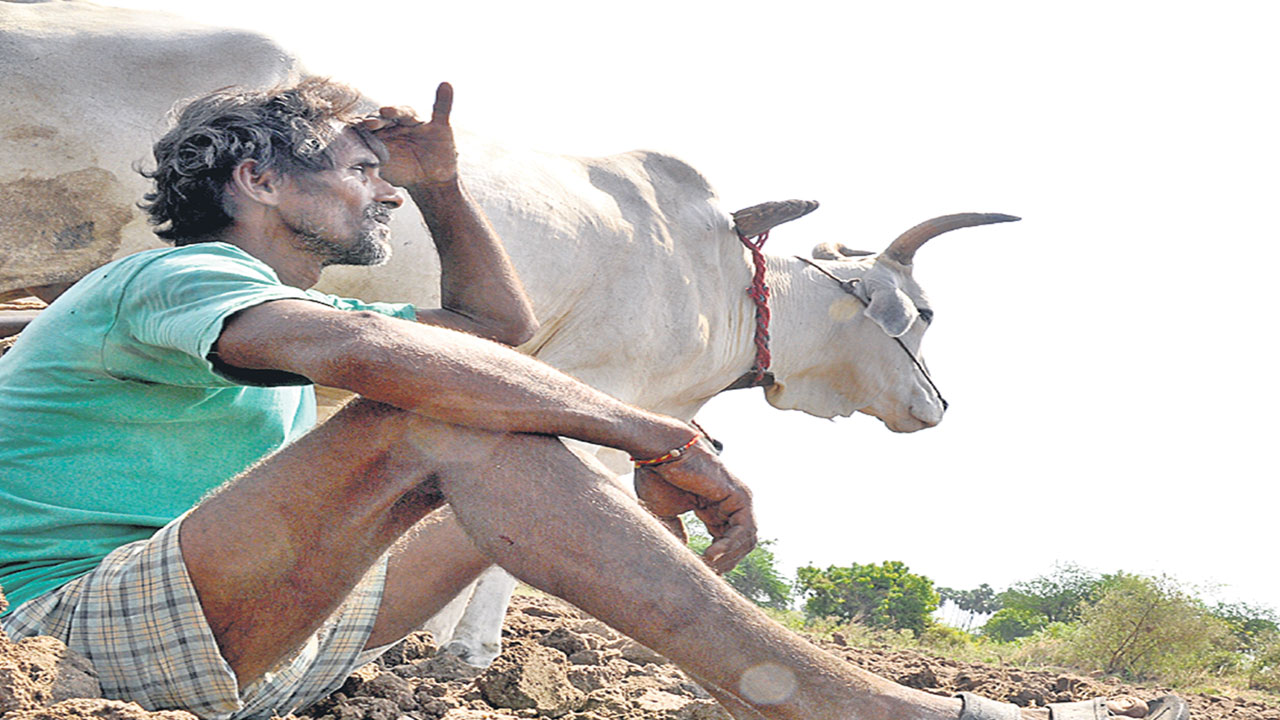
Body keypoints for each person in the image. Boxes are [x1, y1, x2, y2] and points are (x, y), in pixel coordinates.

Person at [0, 78, 1183, 720]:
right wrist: (643, 429)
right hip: (73, 641)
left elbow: (494, 335)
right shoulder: (175, 274)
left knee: (480, 407)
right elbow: (386, 370)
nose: (384, 198)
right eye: (362, 176)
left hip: (237, 651)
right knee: (442, 413)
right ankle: (869, 717)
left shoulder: (329, 281)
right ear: (257, 181)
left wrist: (448, 188)